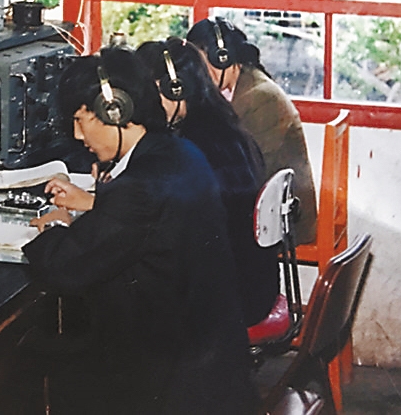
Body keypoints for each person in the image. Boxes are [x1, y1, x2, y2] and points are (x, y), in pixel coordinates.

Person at [22, 47, 256, 414]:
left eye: (80, 120)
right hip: (206, 359)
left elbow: (63, 268)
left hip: (173, 382)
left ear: (114, 111)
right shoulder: (181, 152)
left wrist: (50, 228)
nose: (77, 135)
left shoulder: (138, 188)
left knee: (30, 363)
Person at [136, 37, 278, 327]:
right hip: (253, 288)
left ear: (175, 89)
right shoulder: (221, 125)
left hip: (227, 301)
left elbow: (158, 218)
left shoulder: (192, 145)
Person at [186, 17, 318, 245]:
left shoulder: (260, 98)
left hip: (283, 222)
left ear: (222, 57)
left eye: (201, 64)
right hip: (265, 210)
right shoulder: (245, 84)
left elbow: (240, 173)